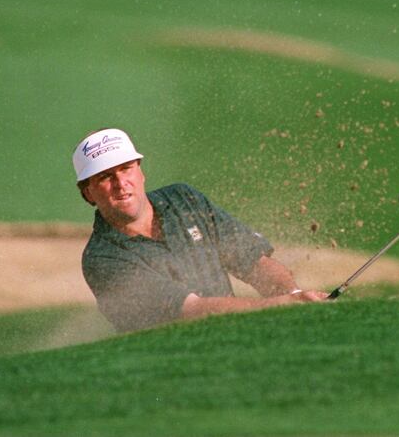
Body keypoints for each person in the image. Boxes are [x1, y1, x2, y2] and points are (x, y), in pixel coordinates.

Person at [72, 127, 328, 332]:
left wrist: (293, 295)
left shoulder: (184, 199)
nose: (120, 183)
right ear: (88, 193)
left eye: (126, 169)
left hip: (238, 336)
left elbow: (253, 261)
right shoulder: (102, 259)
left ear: (140, 172)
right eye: (105, 177)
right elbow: (190, 310)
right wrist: (278, 305)